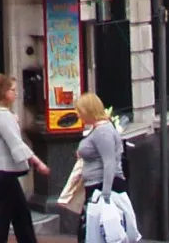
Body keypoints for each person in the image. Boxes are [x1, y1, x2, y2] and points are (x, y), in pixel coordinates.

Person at [0, 73, 49, 243]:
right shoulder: (3, 116)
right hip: (1, 171)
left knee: (9, 211)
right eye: (12, 90)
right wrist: (37, 162)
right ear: (3, 92)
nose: (16, 93)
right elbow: (16, 143)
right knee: (9, 213)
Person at [74, 94, 124, 242]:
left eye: (80, 111)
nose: (78, 114)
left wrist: (106, 194)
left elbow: (109, 163)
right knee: (91, 233)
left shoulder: (103, 131)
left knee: (94, 233)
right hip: (96, 186)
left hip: (101, 187)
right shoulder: (98, 129)